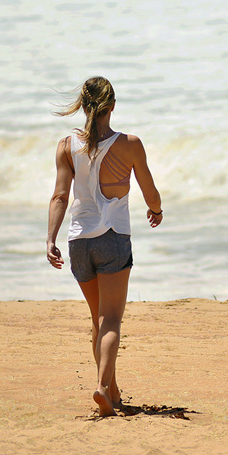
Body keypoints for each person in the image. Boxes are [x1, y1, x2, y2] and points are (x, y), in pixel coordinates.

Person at [46, 76, 163, 417]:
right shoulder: (129, 144)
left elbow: (59, 196)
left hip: (78, 243)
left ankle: (112, 392)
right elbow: (149, 190)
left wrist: (50, 239)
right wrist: (156, 210)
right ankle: (100, 387)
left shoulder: (66, 146)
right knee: (111, 319)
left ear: (83, 106)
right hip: (112, 239)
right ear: (112, 106)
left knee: (98, 321)